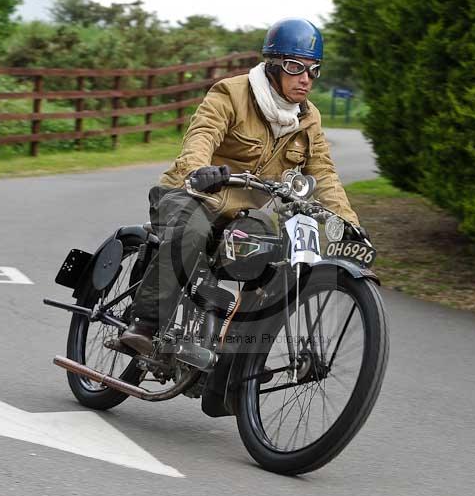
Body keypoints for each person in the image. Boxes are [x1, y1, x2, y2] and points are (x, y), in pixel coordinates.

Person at [119, 18, 364, 355]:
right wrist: (199, 170)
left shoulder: (308, 118)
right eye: (295, 67)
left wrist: (348, 223)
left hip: (241, 215)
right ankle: (145, 324)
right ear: (273, 65)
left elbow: (323, 172)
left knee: (275, 255)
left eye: (313, 69)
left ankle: (238, 353)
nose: (305, 78)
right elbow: (202, 134)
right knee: (191, 231)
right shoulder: (231, 93)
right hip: (191, 193)